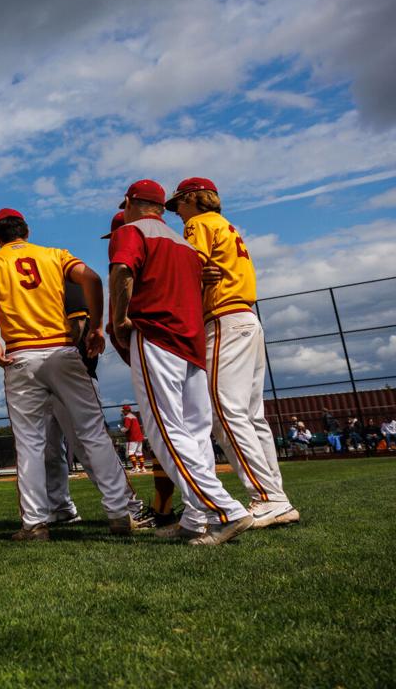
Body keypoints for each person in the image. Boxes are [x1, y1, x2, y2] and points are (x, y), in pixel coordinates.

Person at [0, 208, 137, 541]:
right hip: (62, 349)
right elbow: (92, 278)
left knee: (30, 444)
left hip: (21, 354)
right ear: (26, 231)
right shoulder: (54, 255)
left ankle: (35, 524)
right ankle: (122, 512)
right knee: (92, 433)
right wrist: (98, 327)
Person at [107, 179, 251, 546]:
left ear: (130, 202)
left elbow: (122, 271)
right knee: (196, 431)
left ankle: (226, 510)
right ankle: (195, 516)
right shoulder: (184, 244)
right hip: (192, 340)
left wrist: (121, 318)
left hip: (157, 334)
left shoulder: (130, 231)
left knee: (165, 430)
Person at [168, 177, 298, 527]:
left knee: (225, 412)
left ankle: (267, 497)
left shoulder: (198, 223)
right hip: (246, 318)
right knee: (252, 416)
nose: (177, 212)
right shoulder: (226, 224)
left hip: (224, 319)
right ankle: (276, 497)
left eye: (178, 203)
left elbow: (190, 268)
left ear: (193, 198)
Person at [122, 405, 146, 473]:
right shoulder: (134, 416)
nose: (123, 412)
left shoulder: (127, 417)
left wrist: (121, 430)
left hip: (132, 437)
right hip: (139, 437)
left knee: (130, 452)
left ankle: (135, 467)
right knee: (139, 453)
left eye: (123, 411)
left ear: (126, 411)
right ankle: (142, 467)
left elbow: (126, 428)